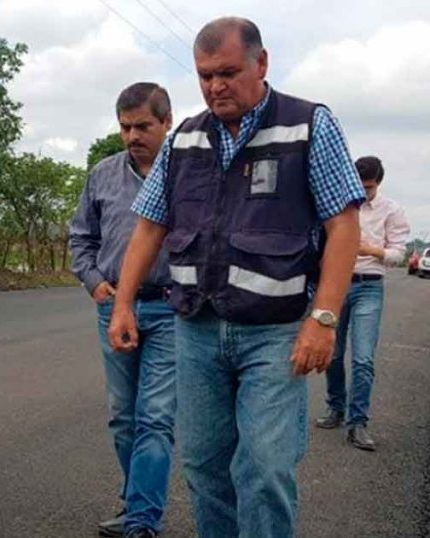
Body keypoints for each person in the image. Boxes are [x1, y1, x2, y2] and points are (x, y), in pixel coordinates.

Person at [108, 17, 365, 538]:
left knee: (265, 469)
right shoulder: (185, 138)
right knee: (204, 467)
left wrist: (324, 318)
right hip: (196, 329)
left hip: (274, 333)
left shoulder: (308, 125)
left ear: (261, 63)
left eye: (226, 72)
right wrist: (123, 303)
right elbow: (150, 226)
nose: (214, 86)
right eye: (204, 75)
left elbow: (343, 226)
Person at [69, 82, 176, 538]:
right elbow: (80, 237)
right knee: (123, 415)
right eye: (125, 127)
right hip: (114, 309)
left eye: (143, 126)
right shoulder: (102, 174)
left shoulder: (188, 173)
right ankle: (137, 499)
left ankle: (141, 520)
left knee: (155, 415)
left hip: (172, 310)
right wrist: (94, 283)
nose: (133, 135)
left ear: (166, 123)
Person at [316, 156, 409, 451]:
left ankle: (358, 423)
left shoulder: (391, 211)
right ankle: (336, 408)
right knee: (332, 353)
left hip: (369, 285)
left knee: (363, 358)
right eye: (359, 185)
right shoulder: (338, 206)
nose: (363, 191)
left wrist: (367, 248)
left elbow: (398, 255)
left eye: (368, 187)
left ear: (377, 184)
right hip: (337, 284)